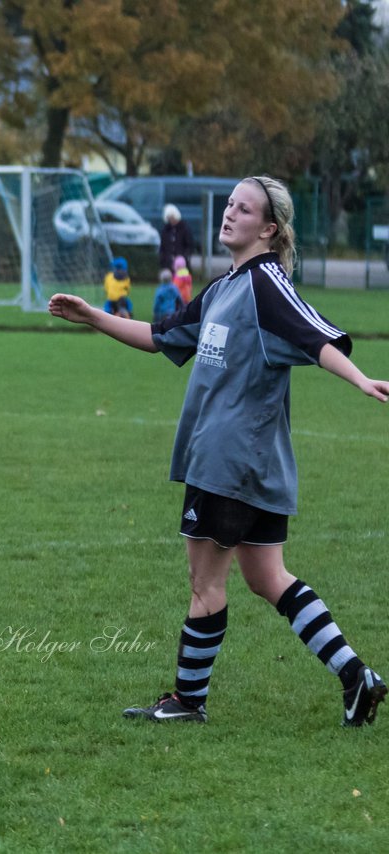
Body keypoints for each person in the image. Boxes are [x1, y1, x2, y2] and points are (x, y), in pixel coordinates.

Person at [48, 175, 388, 727]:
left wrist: (360, 379)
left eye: (244, 208)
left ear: (269, 228)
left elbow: (314, 337)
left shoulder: (264, 285)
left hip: (231, 462)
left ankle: (187, 702)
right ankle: (357, 677)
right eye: (229, 204)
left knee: (206, 583)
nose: (229, 214)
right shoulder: (225, 286)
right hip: (249, 463)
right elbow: (162, 336)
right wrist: (94, 317)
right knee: (267, 578)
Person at [159, 203, 196, 273]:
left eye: (172, 217)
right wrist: (163, 258)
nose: (171, 220)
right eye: (169, 218)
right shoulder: (165, 230)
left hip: (181, 264)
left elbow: (189, 245)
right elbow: (162, 246)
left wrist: (184, 258)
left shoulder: (185, 228)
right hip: (168, 264)